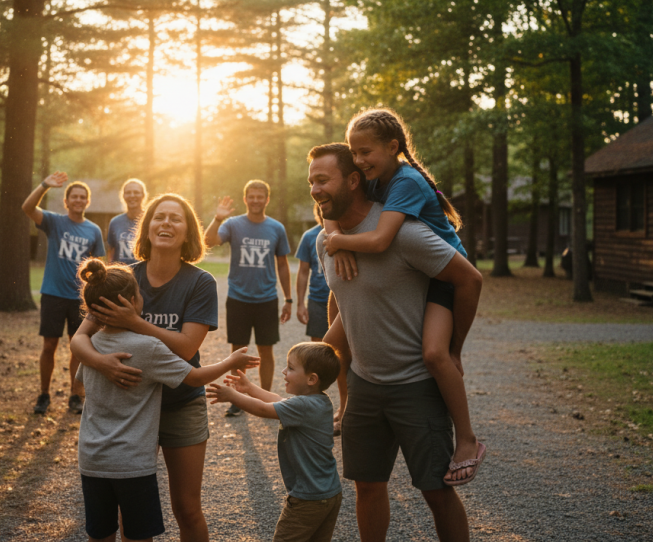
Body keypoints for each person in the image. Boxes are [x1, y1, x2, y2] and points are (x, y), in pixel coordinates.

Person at [308, 143, 484, 542]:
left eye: (323, 180)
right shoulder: (326, 242)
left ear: (354, 180)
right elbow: (343, 295)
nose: (315, 189)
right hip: (364, 388)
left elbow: (469, 278)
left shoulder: (405, 234)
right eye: (311, 182)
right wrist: (323, 349)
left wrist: (454, 346)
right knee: (367, 487)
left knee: (437, 492)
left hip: (417, 387)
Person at [75, 258, 259, 542]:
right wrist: (229, 362)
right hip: (132, 463)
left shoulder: (93, 345)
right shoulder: (147, 348)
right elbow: (195, 377)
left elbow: (79, 384)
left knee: (100, 534)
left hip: (92, 459)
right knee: (139, 535)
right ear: (134, 300)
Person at [71, 193, 218, 542]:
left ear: (188, 233)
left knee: (187, 508)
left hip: (180, 403)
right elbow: (79, 339)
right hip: (129, 414)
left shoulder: (200, 282)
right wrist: (101, 363)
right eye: (159, 217)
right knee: (128, 511)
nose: (166, 223)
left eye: (175, 219)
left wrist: (135, 322)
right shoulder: (124, 278)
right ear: (147, 227)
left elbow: (186, 348)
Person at [207, 343, 343, 542]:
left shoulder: (303, 405)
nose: (283, 371)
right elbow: (278, 401)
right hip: (330, 493)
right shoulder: (319, 401)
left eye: (290, 368)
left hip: (308, 498)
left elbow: (264, 409)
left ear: (311, 379)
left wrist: (233, 396)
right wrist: (250, 388)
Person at [204, 180, 293, 416]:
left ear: (267, 199)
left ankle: (265, 399)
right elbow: (209, 241)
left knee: (266, 350)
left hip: (266, 299)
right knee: (239, 352)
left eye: (259, 196)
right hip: (238, 298)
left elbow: (283, 265)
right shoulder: (233, 224)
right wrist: (218, 218)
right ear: (245, 199)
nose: (255, 200)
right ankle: (238, 398)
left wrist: (289, 299)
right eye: (251, 196)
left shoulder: (276, 228)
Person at [22, 172, 106, 416]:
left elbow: (98, 267)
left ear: (87, 202)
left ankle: (74, 395)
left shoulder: (93, 230)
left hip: (80, 299)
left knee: (77, 348)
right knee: (49, 345)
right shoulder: (54, 222)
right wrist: (44, 185)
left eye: (82, 197)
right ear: (66, 201)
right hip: (53, 294)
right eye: (74, 197)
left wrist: (96, 297)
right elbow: (27, 207)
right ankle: (44, 394)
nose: (78, 200)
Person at [295, 203, 331, 342]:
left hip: (342, 301)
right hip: (317, 300)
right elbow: (303, 272)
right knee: (318, 347)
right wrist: (300, 304)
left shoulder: (346, 232)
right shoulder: (309, 236)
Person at [106, 178, 147, 265]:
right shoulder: (115, 222)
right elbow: (111, 252)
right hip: (121, 275)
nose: (132, 195)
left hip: (143, 274)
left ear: (143, 195)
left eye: (136, 192)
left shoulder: (150, 221)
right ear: (123, 196)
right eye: (128, 192)